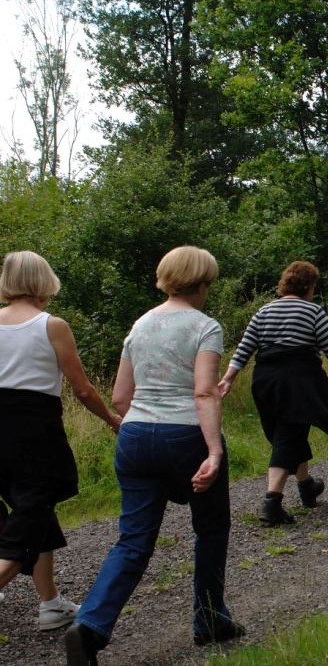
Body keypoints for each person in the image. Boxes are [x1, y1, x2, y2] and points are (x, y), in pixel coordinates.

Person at [66, 246, 244, 665]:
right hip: (187, 437)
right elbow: (203, 391)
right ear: (201, 284)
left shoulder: (140, 325)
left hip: (134, 436)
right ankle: (209, 619)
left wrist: (146, 425)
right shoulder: (205, 326)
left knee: (133, 540)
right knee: (211, 528)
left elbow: (120, 396)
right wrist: (214, 451)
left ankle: (89, 628)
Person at [0, 252, 121, 634]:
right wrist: (112, 420)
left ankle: (51, 604)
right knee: (31, 513)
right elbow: (82, 389)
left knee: (34, 511)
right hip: (34, 433)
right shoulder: (52, 325)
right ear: (44, 280)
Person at [218, 261, 328, 527]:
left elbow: (245, 348)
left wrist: (228, 379)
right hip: (299, 379)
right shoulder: (313, 311)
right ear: (308, 286)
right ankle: (272, 502)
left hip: (266, 380)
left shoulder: (264, 311)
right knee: (287, 435)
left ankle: (307, 487)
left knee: (290, 431)